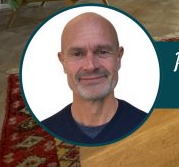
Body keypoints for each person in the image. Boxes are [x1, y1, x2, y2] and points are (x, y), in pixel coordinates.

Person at [41, 12, 147, 144]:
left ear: (118, 58)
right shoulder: (43, 133)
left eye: (103, 52)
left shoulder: (149, 125)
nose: (90, 66)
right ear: (63, 62)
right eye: (77, 54)